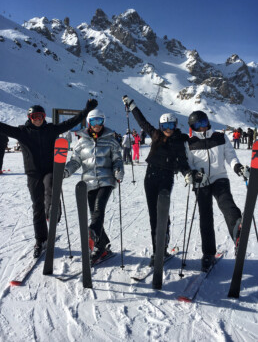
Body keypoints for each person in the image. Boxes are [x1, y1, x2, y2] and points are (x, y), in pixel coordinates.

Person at [0, 99, 98, 257]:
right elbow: (3, 127)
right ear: (29, 118)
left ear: (44, 117)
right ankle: (41, 239)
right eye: (34, 117)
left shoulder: (51, 130)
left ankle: (54, 207)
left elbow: (71, 122)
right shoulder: (22, 132)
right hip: (33, 174)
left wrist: (86, 110)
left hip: (49, 170)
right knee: (37, 206)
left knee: (50, 185)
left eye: (40, 116)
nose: (37, 119)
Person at [122, 95, 192, 266]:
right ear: (161, 126)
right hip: (150, 177)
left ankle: (164, 237)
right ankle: (157, 251)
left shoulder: (179, 142)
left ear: (175, 126)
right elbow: (142, 122)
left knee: (162, 213)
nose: (168, 128)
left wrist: (187, 173)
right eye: (165, 126)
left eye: (171, 125)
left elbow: (183, 162)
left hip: (166, 179)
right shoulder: (155, 135)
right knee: (154, 215)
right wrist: (132, 105)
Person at [186, 110, 250, 271]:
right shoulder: (190, 142)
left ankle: (238, 234)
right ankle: (208, 253)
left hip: (219, 177)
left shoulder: (220, 137)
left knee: (227, 203)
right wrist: (195, 174)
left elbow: (230, 156)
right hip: (201, 182)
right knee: (205, 216)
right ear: (192, 127)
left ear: (208, 122)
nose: (202, 127)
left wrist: (238, 167)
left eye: (204, 123)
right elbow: (188, 163)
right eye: (197, 125)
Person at [64, 108, 124, 265]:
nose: (97, 125)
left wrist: (118, 170)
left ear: (103, 122)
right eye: (94, 122)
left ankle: (93, 235)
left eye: (100, 121)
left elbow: (118, 159)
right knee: (94, 215)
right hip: (88, 182)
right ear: (89, 123)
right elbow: (75, 160)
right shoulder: (81, 141)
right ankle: (102, 244)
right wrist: (66, 171)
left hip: (107, 180)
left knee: (98, 210)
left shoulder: (111, 139)